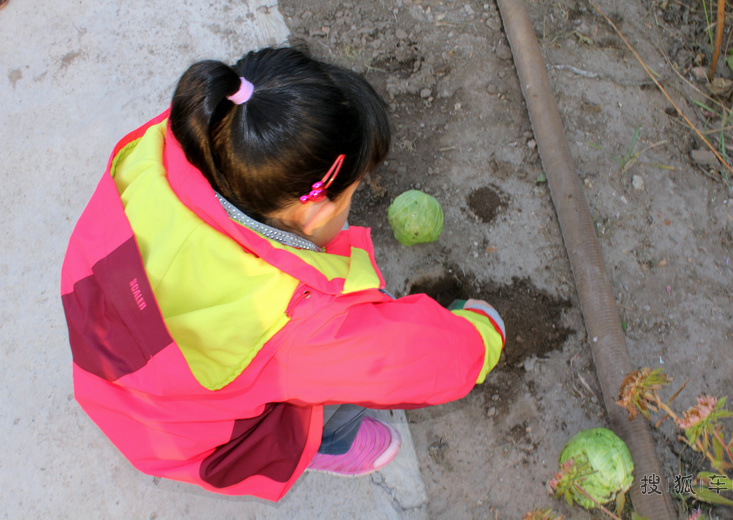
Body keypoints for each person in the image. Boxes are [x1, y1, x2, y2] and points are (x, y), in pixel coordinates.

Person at [60, 47, 505, 502]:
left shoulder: (174, 143)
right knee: (337, 384)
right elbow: (407, 359)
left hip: (113, 370)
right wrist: (481, 333)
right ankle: (330, 444)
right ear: (314, 210)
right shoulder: (297, 320)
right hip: (194, 439)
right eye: (349, 195)